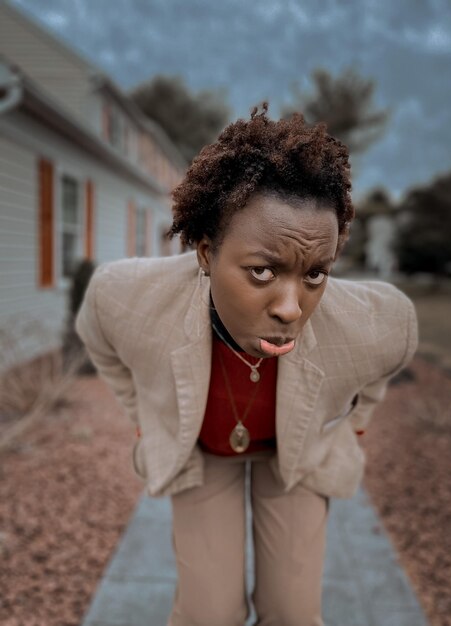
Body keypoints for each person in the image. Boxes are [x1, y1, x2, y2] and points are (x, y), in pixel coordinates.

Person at [76, 104, 418, 626]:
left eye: (314, 275)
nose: (290, 307)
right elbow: (96, 337)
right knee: (208, 614)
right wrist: (142, 414)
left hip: (296, 456)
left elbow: (394, 351)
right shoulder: (126, 297)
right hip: (203, 454)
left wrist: (356, 422)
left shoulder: (375, 322)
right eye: (261, 271)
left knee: (292, 614)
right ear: (207, 254)